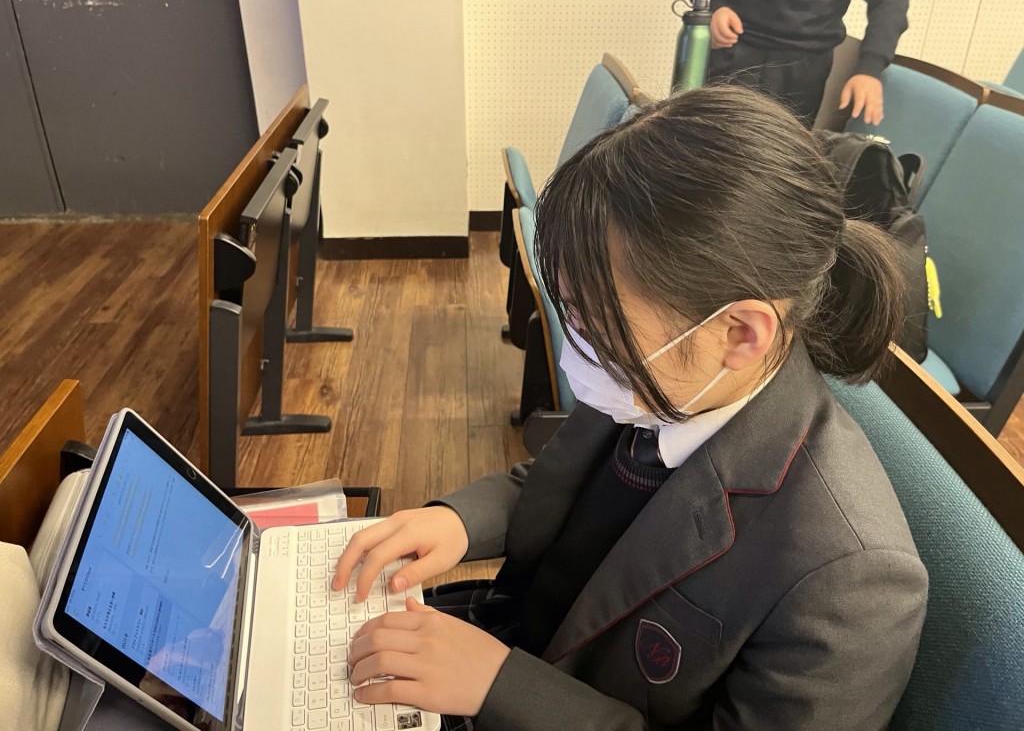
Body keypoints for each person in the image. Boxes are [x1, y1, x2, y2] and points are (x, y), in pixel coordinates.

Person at [333, 87, 928, 730]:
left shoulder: (851, 576)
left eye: (594, 327)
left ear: (739, 333)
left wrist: (501, 687)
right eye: (570, 314)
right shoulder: (667, 378)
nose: (577, 349)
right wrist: (456, 521)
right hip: (504, 639)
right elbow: (558, 486)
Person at [683, 0, 910, 126]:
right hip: (732, 45)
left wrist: (870, 68)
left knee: (781, 157)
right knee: (711, 148)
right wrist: (713, 5)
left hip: (805, 64)